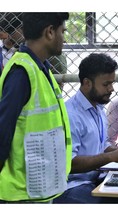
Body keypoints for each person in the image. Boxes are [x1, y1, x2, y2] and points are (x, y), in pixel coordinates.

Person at [53, 53, 118, 204]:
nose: (112, 88)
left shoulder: (98, 108)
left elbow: (101, 147)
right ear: (87, 83)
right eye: (106, 84)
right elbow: (69, 164)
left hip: (95, 179)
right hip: (72, 187)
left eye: (112, 83)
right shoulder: (71, 115)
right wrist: (111, 157)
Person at [0, 13, 72, 203]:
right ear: (49, 32)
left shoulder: (41, 68)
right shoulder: (22, 72)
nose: (64, 38)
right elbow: (2, 132)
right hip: (20, 194)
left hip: (38, 189)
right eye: (62, 31)